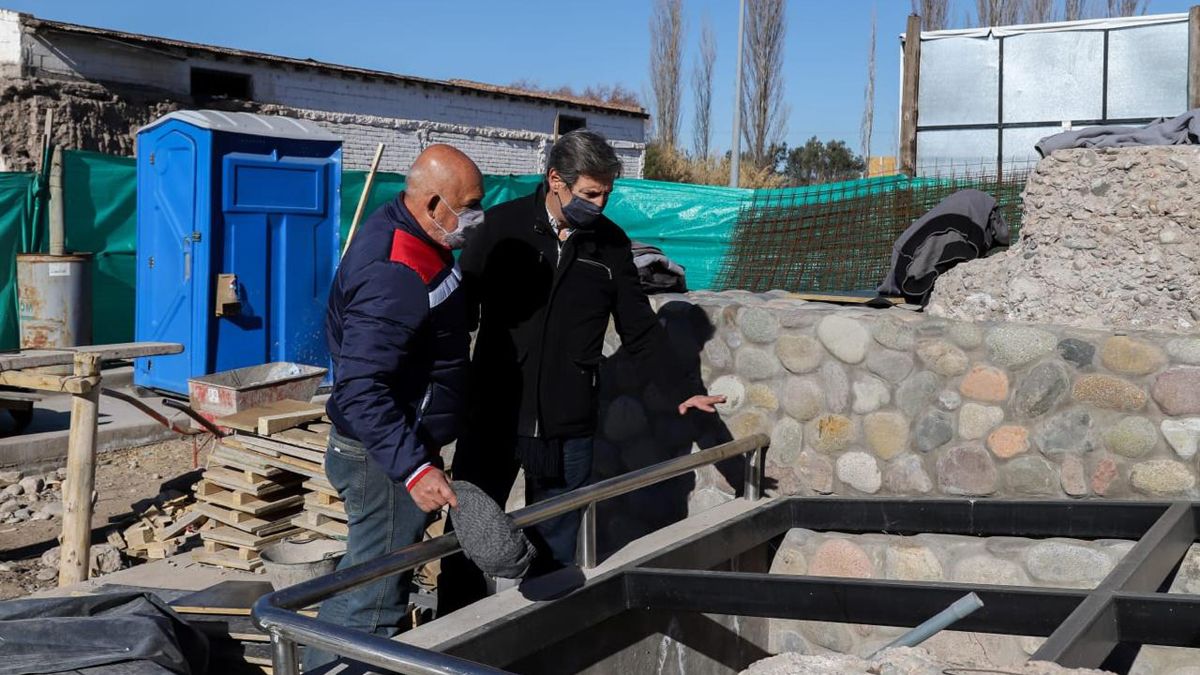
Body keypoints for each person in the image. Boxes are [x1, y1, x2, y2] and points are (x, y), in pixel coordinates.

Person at [440, 129, 724, 613]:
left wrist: (683, 386)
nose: (600, 203)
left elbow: (639, 329)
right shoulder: (500, 229)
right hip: (493, 419)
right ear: (556, 181)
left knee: (554, 549)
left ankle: (536, 646)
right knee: (467, 544)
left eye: (607, 193)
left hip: (566, 428)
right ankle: (446, 648)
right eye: (591, 193)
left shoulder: (610, 246)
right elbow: (459, 314)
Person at [305, 144, 484, 670]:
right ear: (432, 204)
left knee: (371, 576)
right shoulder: (395, 271)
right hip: (383, 459)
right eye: (469, 206)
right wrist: (414, 468)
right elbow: (359, 388)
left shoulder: (410, 231)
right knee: (374, 601)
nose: (477, 217)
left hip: (395, 443)